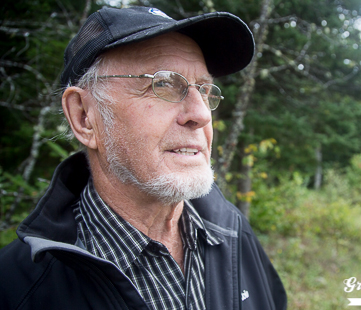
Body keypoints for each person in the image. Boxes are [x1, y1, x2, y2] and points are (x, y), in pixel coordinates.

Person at [0, 6, 286, 310]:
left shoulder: (232, 229)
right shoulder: (16, 289)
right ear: (84, 117)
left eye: (203, 89)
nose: (201, 114)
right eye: (163, 84)